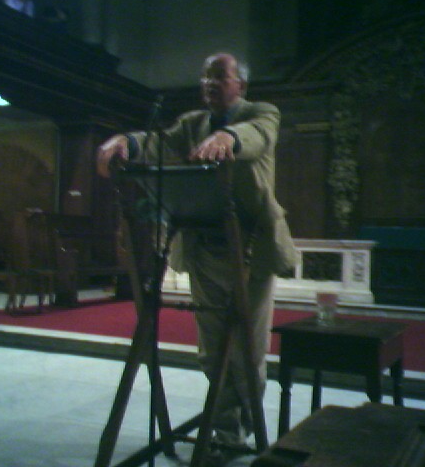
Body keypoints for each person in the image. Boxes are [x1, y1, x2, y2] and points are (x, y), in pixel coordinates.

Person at [96, 52, 300, 464]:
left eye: (219, 77)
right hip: (205, 246)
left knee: (248, 350)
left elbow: (257, 134)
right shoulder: (191, 124)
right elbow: (159, 143)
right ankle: (224, 430)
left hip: (251, 250)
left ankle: (244, 425)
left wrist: (230, 139)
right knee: (212, 350)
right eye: (205, 77)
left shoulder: (263, 111)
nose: (208, 83)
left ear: (240, 84)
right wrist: (126, 141)